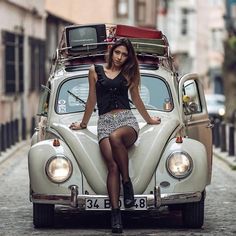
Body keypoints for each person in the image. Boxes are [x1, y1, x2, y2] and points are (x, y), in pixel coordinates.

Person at [69, 38, 161, 234]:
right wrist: (83, 124)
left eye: (124, 54)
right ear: (111, 52)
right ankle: (116, 216)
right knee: (112, 166)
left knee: (115, 137)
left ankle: (126, 182)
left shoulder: (129, 72)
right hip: (104, 122)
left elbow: (136, 99)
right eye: (117, 52)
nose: (120, 57)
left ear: (128, 57)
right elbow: (91, 99)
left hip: (126, 121)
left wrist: (149, 120)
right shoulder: (95, 71)